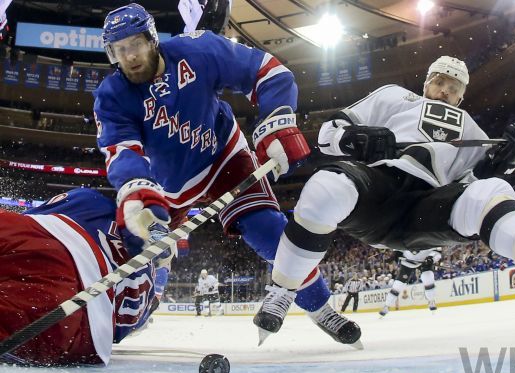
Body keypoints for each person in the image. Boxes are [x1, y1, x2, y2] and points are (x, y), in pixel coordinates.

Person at [254, 55, 515, 334]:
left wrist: (507, 159)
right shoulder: (395, 97)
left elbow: (474, 181)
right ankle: (284, 290)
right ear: (427, 82)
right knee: (324, 187)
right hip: (376, 188)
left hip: (426, 209)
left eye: (454, 88)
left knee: (494, 190)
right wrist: (354, 138)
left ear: (462, 97)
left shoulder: (472, 130)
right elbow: (329, 133)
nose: (445, 91)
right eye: (440, 82)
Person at [93, 3, 359, 346]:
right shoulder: (111, 96)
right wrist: (135, 192)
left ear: (152, 38)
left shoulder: (199, 49)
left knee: (268, 232)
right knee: (140, 250)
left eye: (136, 44)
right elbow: (122, 151)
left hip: (224, 159)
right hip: (165, 186)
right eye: (120, 49)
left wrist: (277, 121)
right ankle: (140, 305)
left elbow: (268, 71)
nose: (129, 57)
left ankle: (322, 308)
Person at [0, 188, 160, 366]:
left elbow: (26, 221)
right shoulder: (148, 292)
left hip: (46, 246)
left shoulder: (94, 201)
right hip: (81, 333)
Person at [379, 248, 441, 317]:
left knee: (428, 277)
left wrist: (432, 259)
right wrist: (397, 252)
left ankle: (431, 300)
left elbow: (437, 250)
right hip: (408, 262)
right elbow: (398, 244)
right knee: (398, 285)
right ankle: (387, 306)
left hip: (424, 260)